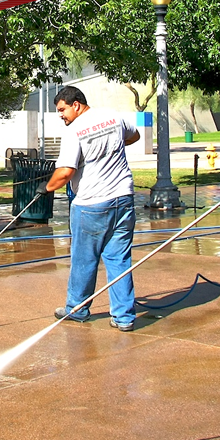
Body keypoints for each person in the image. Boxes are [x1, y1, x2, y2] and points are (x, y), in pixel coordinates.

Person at [38, 86, 141, 332]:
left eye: (62, 109)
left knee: (84, 259)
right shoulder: (113, 117)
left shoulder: (75, 131)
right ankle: (124, 316)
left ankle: (77, 309)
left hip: (92, 204)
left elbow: (65, 172)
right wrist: (109, 149)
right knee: (119, 258)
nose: (61, 115)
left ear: (76, 105)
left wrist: (46, 188)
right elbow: (134, 136)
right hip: (123, 199)